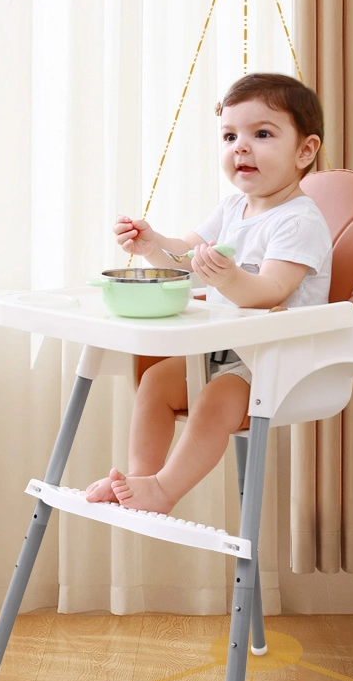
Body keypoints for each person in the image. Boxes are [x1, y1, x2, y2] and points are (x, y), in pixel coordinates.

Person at [85, 72, 333, 515]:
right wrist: (152, 245)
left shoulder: (300, 221)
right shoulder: (233, 207)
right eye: (229, 136)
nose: (241, 147)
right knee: (156, 382)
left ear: (305, 151)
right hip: (223, 353)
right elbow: (185, 256)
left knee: (216, 400)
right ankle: (141, 479)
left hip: (275, 364)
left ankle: (164, 491)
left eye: (261, 134)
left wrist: (226, 279)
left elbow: (271, 291)